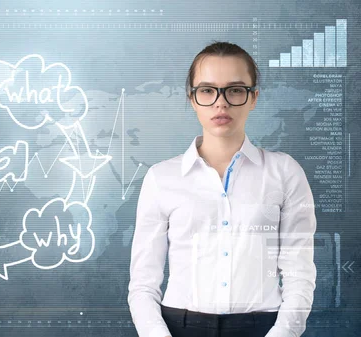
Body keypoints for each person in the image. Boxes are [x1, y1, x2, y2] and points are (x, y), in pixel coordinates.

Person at [127, 41, 317, 337]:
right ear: (192, 98)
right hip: (179, 327)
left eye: (235, 90)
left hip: (263, 327)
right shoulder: (161, 178)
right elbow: (142, 284)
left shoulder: (285, 172)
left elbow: (299, 274)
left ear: (253, 98)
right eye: (207, 90)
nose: (221, 102)